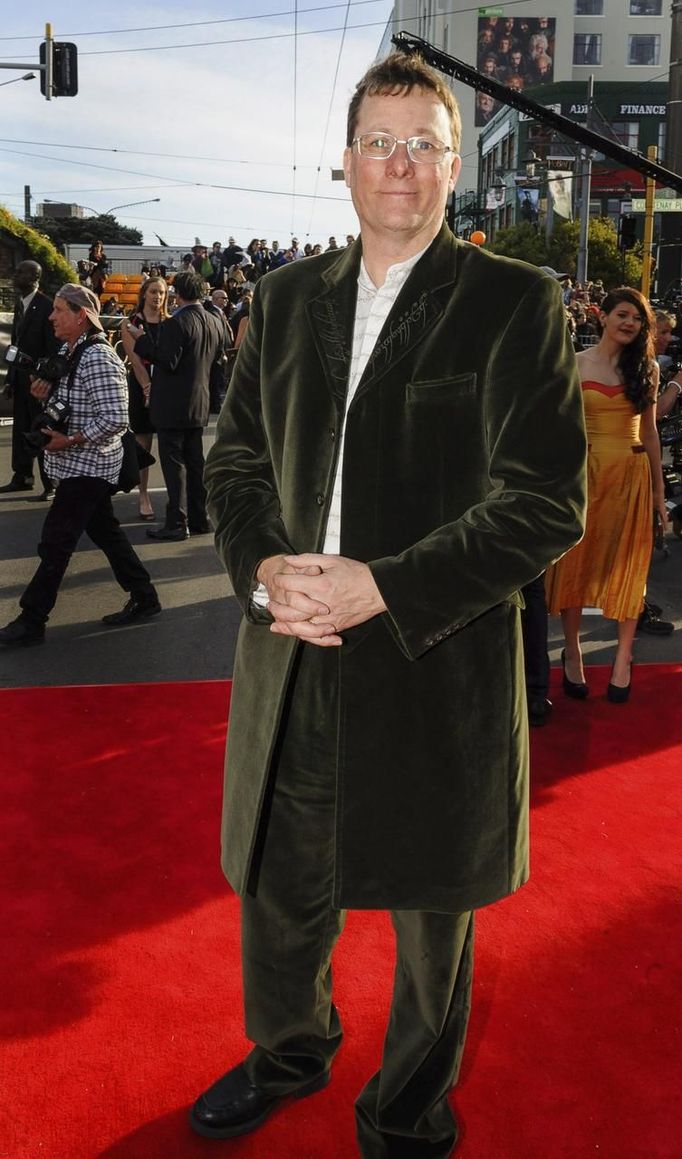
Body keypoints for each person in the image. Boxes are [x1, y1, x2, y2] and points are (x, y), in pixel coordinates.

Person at [191, 51, 586, 1157]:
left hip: (431, 652)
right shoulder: (279, 299)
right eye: (379, 142)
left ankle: (408, 1108)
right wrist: (265, 567)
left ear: (453, 166)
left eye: (421, 144)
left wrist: (386, 585)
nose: (398, 165)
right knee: (276, 885)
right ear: (346, 161)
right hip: (289, 643)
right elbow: (235, 462)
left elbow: (545, 499)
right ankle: (287, 1052)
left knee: (432, 919)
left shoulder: (514, 302)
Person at [0, 284, 160, 649]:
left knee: (55, 543)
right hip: (77, 464)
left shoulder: (97, 357)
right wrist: (45, 395)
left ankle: (32, 620)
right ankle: (144, 595)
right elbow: (72, 401)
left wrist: (69, 440)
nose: (52, 316)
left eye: (59, 310)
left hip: (89, 466)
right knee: (106, 533)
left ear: (81, 316)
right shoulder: (67, 351)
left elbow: (117, 418)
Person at [546, 287, 667, 703]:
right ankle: (573, 653)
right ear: (603, 317)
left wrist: (658, 491)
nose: (630, 323)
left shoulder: (646, 369)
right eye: (623, 314)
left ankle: (623, 660)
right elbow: (559, 429)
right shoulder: (573, 365)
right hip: (586, 477)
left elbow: (650, 432)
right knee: (578, 565)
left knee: (631, 566)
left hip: (631, 477)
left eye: (638, 318)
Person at [131, 270, 225, 541]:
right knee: (196, 463)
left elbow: (167, 360)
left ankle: (176, 522)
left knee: (175, 465)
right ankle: (199, 518)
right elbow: (218, 357)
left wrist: (142, 339)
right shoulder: (214, 320)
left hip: (173, 405)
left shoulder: (178, 322)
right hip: (200, 402)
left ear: (177, 294)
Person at [0, 260, 59, 499]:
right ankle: (22, 476)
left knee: (41, 430)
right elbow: (16, 344)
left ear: (35, 276)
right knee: (21, 430)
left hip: (39, 384)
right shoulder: (20, 305)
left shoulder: (46, 306)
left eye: (21, 272)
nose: (15, 275)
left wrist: (45, 378)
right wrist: (10, 380)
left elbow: (53, 348)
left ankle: (51, 483)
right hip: (21, 380)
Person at [119, 276, 170, 520]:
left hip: (168, 385)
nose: (157, 297)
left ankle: (175, 497)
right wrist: (148, 389)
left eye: (161, 292)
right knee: (143, 443)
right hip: (142, 386)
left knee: (171, 444)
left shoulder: (171, 322)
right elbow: (136, 361)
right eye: (153, 292)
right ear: (143, 294)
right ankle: (143, 494)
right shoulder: (130, 323)